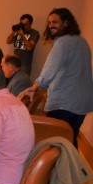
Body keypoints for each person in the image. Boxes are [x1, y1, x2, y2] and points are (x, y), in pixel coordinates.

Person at [18, 8, 93, 149]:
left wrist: (35, 87)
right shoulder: (82, 42)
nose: (51, 25)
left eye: (55, 22)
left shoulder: (62, 43)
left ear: (66, 23)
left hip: (65, 103)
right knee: (70, 140)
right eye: (50, 22)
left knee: (57, 144)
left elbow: (48, 71)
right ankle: (72, 170)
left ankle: (59, 170)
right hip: (82, 104)